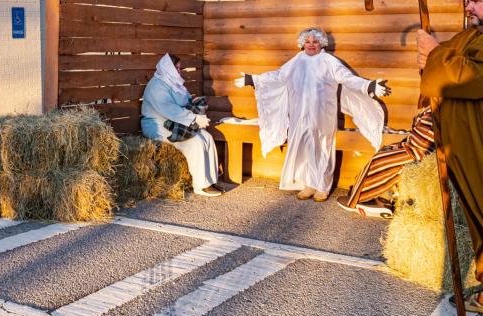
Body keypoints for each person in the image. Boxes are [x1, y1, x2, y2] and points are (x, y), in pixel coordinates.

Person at [235, 28, 391, 201]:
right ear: (302, 43)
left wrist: (368, 86)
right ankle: (309, 184)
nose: (311, 45)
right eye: (307, 42)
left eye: (315, 42)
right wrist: (253, 79)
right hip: (299, 114)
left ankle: (322, 187)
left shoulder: (329, 61)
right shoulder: (297, 61)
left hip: (323, 114)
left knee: (323, 147)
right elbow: (279, 75)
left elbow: (346, 78)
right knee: (305, 148)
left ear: (321, 44)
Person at [418, 0, 483, 312]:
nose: (469, 7)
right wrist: (431, 59)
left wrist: (433, 55)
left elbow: (471, 76)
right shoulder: (471, 34)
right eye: (468, 0)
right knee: (476, 215)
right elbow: (442, 64)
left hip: (479, 140)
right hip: (463, 143)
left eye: (476, 1)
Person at [141, 54, 222, 197]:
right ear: (168, 68)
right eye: (176, 68)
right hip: (158, 125)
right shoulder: (156, 85)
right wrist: (193, 118)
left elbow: (183, 100)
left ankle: (210, 180)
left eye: (179, 68)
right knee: (195, 142)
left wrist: (193, 101)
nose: (179, 71)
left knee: (207, 137)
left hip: (175, 122)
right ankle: (200, 185)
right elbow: (168, 109)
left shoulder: (172, 83)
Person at [336, 106, 435, 218]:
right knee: (384, 152)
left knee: (380, 161)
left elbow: (422, 144)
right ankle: (382, 197)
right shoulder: (429, 110)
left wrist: (405, 147)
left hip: (418, 153)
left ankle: (363, 196)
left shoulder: (433, 112)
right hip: (414, 149)